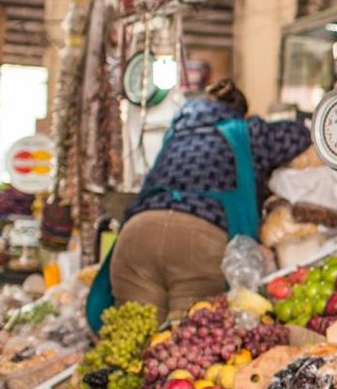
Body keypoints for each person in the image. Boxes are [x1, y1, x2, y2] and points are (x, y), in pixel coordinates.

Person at [87, 78, 312, 328]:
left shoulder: (177, 133)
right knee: (186, 338)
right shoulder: (244, 131)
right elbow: (301, 135)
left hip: (137, 234)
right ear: (238, 112)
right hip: (198, 239)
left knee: (136, 335)